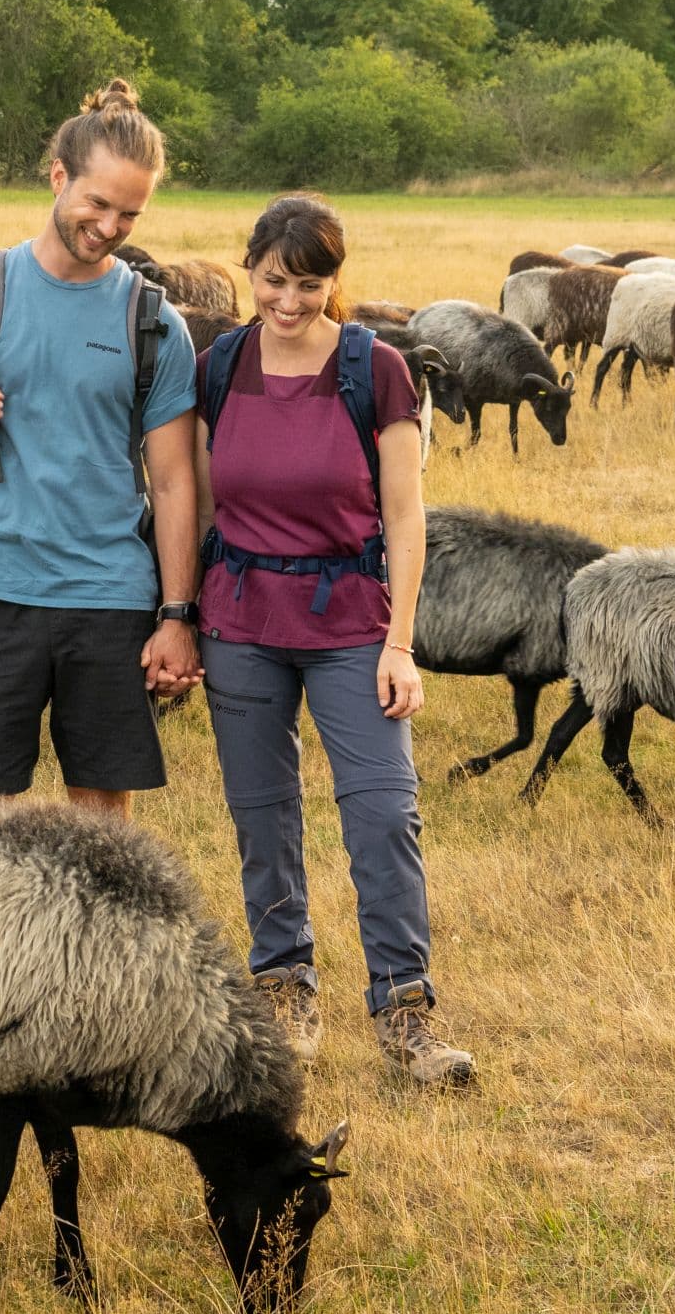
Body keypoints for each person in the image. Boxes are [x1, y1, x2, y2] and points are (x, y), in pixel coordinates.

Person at [192, 194, 473, 1087]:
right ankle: (284, 989)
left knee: (384, 813)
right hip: (240, 621)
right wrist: (177, 614)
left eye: (309, 284)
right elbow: (198, 502)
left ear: (333, 282)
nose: (288, 301)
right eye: (274, 281)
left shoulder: (376, 369)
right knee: (262, 817)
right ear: (251, 273)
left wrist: (401, 642)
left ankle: (406, 1013)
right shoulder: (219, 366)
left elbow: (404, 512)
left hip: (352, 622)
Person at [0, 80, 201, 816]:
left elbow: (177, 483)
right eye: (98, 203)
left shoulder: (154, 324)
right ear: (58, 176)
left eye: (130, 213)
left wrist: (177, 614)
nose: (110, 225)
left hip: (111, 597)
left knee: (101, 830)